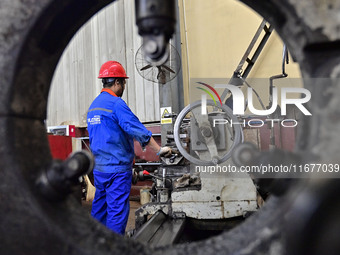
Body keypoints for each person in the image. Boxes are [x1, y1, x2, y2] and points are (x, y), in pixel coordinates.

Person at [87, 60, 172, 235]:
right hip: (117, 170)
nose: (124, 86)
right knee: (116, 213)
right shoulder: (116, 104)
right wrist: (159, 150)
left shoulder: (93, 107)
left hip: (100, 170)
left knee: (99, 211)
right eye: (124, 82)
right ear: (117, 82)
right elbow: (137, 129)